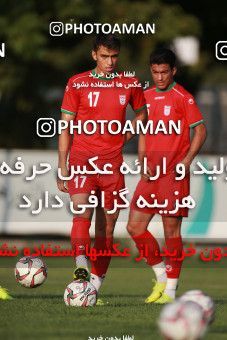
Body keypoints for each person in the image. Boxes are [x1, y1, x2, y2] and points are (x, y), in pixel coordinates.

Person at [57, 34, 147, 304]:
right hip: (83, 160)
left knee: (106, 231)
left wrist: (127, 135)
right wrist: (63, 165)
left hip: (112, 165)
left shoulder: (129, 83)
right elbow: (66, 126)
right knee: (81, 212)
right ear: (94, 54)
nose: (110, 62)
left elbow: (142, 114)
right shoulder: (77, 83)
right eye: (105, 56)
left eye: (114, 56)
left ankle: (93, 287)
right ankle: (81, 264)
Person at [127, 48, 207, 304]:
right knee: (134, 227)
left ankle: (170, 291)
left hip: (173, 174)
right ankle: (161, 276)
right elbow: (143, 132)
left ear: (174, 71)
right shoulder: (146, 96)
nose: (160, 77)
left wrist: (185, 161)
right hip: (151, 175)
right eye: (155, 72)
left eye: (164, 72)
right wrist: (142, 162)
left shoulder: (183, 97)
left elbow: (201, 132)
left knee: (171, 231)